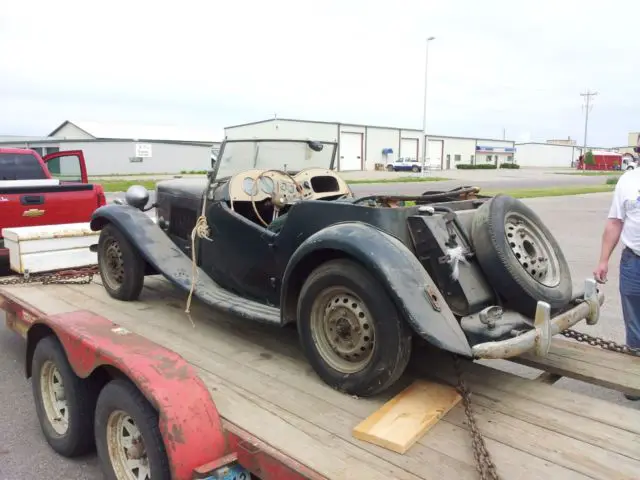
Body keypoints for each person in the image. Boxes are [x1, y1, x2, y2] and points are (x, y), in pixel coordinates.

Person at [594, 168, 640, 401]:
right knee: (634, 322)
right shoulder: (628, 181)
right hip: (634, 261)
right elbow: (615, 222)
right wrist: (603, 259)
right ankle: (635, 378)